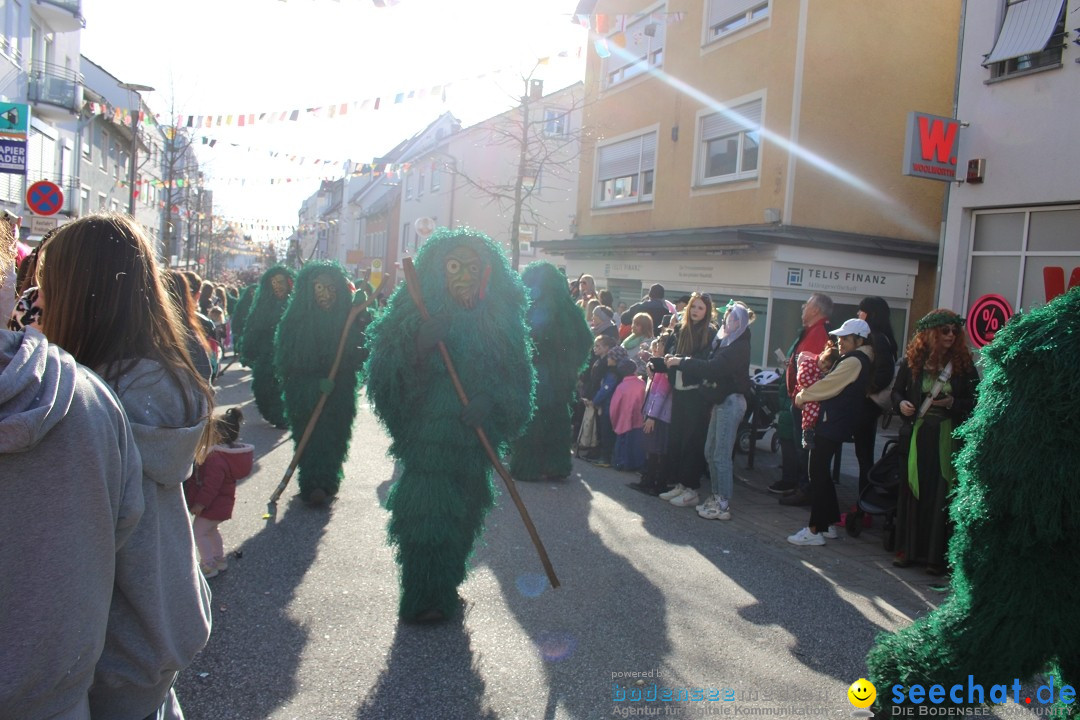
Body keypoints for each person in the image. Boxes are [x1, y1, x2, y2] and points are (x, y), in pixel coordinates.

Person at [37, 213, 213, 719]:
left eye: (46, 285)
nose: (40, 301)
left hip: (104, 657)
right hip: (161, 631)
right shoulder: (166, 381)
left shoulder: (80, 404)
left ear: (76, 292)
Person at [0, 216, 146, 720]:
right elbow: (124, 527)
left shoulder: (100, 397)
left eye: (40, 287)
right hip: (57, 693)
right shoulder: (91, 399)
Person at [365, 228, 535, 623]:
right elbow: (383, 376)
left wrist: (490, 403)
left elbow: (518, 378)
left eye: (472, 268)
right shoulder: (413, 310)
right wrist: (418, 348)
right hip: (427, 444)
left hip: (475, 445)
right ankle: (425, 596)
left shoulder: (501, 321)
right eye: (455, 267)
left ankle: (447, 584)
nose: (464, 276)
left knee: (464, 515)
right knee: (426, 518)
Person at [274, 261, 372, 505]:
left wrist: (362, 316)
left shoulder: (345, 316)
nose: (326, 295)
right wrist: (313, 385)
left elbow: (362, 346)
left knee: (335, 434)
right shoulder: (295, 322)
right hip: (306, 392)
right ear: (309, 290)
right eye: (319, 288)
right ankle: (311, 482)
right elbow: (287, 365)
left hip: (340, 389)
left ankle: (327, 480)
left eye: (331, 289)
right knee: (311, 436)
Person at [891, 309, 977, 574]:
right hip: (918, 434)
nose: (951, 335)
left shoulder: (963, 363)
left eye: (954, 330)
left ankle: (934, 558)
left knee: (940, 491)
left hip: (946, 435)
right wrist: (902, 404)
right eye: (945, 330)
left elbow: (976, 400)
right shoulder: (912, 361)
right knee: (912, 490)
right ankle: (907, 551)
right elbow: (896, 392)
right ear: (930, 333)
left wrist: (953, 403)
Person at [787, 318, 874, 546]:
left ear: (859, 339)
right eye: (839, 337)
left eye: (845, 338)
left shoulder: (855, 360)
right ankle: (827, 525)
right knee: (821, 473)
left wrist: (803, 396)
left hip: (833, 422)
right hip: (837, 422)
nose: (840, 341)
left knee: (817, 472)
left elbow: (830, 385)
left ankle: (815, 529)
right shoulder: (857, 358)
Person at [666, 301, 754, 520]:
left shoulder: (739, 345)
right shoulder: (725, 341)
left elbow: (714, 368)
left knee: (720, 454)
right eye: (727, 317)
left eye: (733, 318)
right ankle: (716, 497)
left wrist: (682, 362)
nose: (728, 321)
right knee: (710, 451)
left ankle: (722, 501)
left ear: (741, 323)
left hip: (731, 401)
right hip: (720, 400)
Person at [511, 261, 594, 482]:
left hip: (535, 374)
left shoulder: (525, 309)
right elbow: (585, 341)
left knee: (532, 421)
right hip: (560, 378)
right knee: (558, 419)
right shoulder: (570, 311)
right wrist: (570, 365)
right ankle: (556, 465)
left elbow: (515, 342)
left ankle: (527, 467)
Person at [772, 293, 834, 505]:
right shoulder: (810, 331)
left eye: (806, 305)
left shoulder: (821, 333)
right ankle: (801, 486)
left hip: (808, 402)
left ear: (816, 310)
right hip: (799, 399)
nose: (802, 308)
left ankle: (807, 490)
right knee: (800, 446)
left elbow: (817, 371)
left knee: (807, 448)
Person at [657, 292, 717, 509]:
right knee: (678, 439)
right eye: (694, 307)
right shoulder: (680, 329)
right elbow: (670, 355)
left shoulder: (710, 333)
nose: (695, 311)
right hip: (679, 391)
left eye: (700, 308)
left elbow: (704, 363)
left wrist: (679, 362)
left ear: (707, 311)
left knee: (693, 441)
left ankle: (691, 488)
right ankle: (680, 484)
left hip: (696, 394)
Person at [185, 408, 251, 578]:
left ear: (217, 435)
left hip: (212, 505)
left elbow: (211, 486)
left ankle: (208, 564)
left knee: (199, 532)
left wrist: (200, 503)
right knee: (211, 530)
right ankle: (219, 559)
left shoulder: (215, 459)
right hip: (221, 505)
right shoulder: (224, 456)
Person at [853, 296, 899, 497]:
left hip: (867, 405)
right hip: (870, 405)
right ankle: (865, 501)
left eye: (861, 310)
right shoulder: (882, 336)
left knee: (864, 455)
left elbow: (885, 372)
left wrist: (866, 390)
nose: (858, 314)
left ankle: (864, 502)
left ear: (870, 313)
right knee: (864, 454)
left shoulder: (876, 337)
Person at [241, 265, 295, 428]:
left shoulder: (296, 305)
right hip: (266, 354)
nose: (277, 285)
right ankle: (273, 413)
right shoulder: (263, 305)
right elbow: (253, 327)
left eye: (280, 281)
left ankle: (283, 415)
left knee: (285, 387)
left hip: (289, 355)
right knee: (263, 386)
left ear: (289, 283)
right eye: (273, 282)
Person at [627, 351, 673, 495]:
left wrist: (651, 416)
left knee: (655, 451)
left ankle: (653, 482)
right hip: (655, 415)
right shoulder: (659, 373)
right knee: (652, 450)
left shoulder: (663, 374)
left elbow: (660, 394)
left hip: (659, 417)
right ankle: (649, 480)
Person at [794, 343, 842, 449]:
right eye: (823, 361)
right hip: (807, 395)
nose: (823, 366)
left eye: (827, 366)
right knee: (810, 409)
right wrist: (819, 383)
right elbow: (802, 378)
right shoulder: (809, 363)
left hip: (815, 396)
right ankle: (807, 432)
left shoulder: (824, 372)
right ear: (821, 354)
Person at [610, 357, 646, 471]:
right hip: (639, 419)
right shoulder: (642, 384)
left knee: (622, 442)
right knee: (637, 443)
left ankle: (620, 463)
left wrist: (614, 421)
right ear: (635, 369)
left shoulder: (621, 387)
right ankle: (637, 465)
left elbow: (614, 407)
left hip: (623, 420)